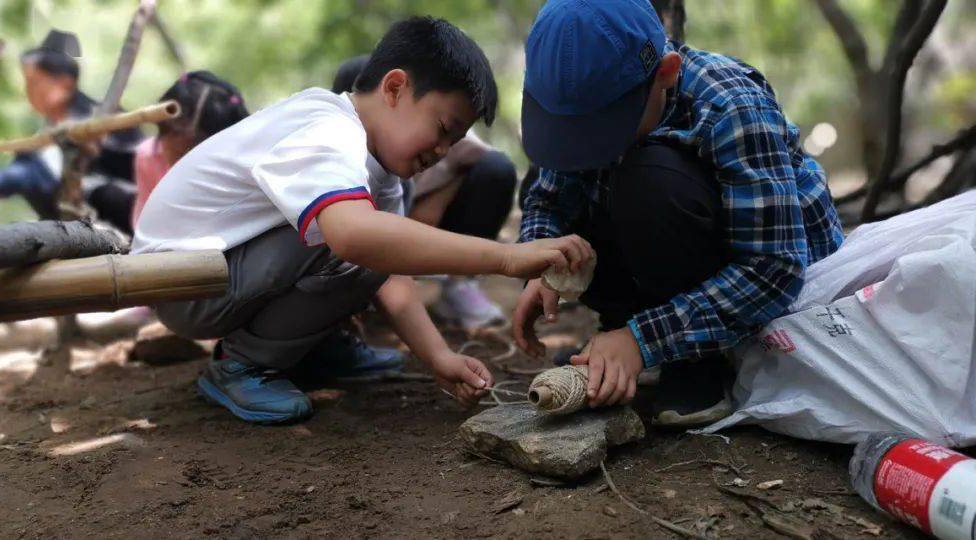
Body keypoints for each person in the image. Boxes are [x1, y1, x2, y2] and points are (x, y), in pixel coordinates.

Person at [133, 16, 593, 425]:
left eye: (454, 142)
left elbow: (388, 276)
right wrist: (506, 258)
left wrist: (438, 356)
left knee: (373, 243)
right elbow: (354, 237)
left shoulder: (379, 171)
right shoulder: (327, 129)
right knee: (353, 235)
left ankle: (303, 348)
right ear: (394, 88)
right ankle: (242, 364)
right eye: (443, 129)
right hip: (180, 281)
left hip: (224, 275)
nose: (442, 151)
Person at [512, 0, 844, 428]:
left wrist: (642, 339)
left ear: (665, 73)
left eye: (606, 129)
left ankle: (694, 362)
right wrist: (539, 265)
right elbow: (549, 198)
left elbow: (773, 267)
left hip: (761, 285)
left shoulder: (730, 104)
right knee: (552, 176)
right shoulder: (587, 105)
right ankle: (627, 334)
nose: (590, 146)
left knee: (648, 180)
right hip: (664, 265)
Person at [333, 55, 517, 331]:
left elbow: (471, 151)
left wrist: (437, 193)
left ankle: (459, 286)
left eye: (448, 137)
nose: (442, 149)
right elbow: (358, 238)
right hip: (362, 235)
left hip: (417, 225)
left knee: (495, 168)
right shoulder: (333, 147)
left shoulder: (432, 134)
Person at [0, 29, 143, 234]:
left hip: (120, 212)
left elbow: (28, 177)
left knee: (37, 173)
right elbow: (21, 174)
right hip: (74, 216)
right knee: (28, 163)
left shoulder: (94, 118)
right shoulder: (48, 130)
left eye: (35, 82)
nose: (29, 91)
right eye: (27, 82)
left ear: (64, 83)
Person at [131, 71, 250, 226]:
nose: (182, 165)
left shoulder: (242, 170)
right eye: (179, 154)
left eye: (192, 154)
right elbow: (144, 225)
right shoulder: (149, 157)